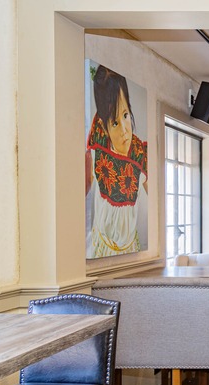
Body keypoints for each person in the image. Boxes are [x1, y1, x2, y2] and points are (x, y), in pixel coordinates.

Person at [85, 64, 148, 258]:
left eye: (126, 116)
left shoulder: (141, 155)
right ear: (104, 127)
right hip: (98, 250)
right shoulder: (95, 153)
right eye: (114, 122)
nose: (124, 131)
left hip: (131, 251)